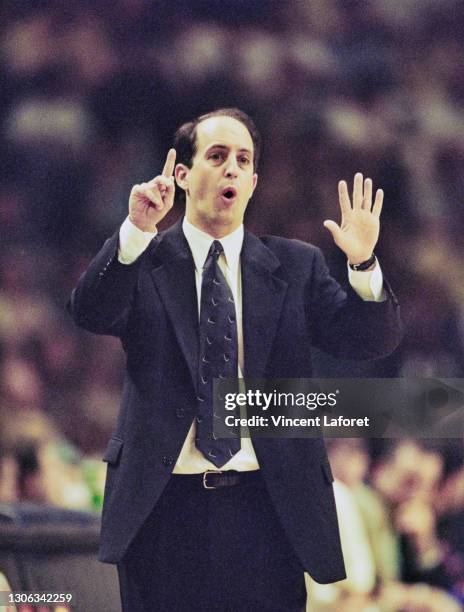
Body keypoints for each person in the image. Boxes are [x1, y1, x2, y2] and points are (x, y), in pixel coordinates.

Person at [69, 108, 402, 611]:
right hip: (163, 511)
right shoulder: (146, 257)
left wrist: (363, 263)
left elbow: (369, 340)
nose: (231, 169)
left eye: (242, 161)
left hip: (267, 508)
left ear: (252, 182)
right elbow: (91, 311)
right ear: (181, 174)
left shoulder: (296, 264)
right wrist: (136, 230)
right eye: (217, 156)